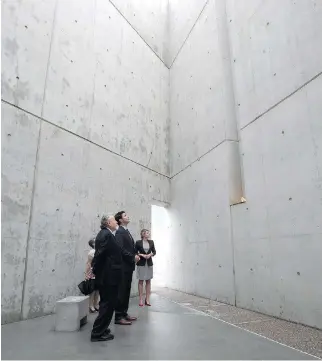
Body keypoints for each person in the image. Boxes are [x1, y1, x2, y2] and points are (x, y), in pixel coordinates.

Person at [90, 215, 139, 342]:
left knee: (108, 303)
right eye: (113, 220)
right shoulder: (105, 234)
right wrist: (95, 271)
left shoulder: (107, 234)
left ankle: (102, 329)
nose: (116, 222)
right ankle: (97, 333)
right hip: (108, 276)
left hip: (109, 274)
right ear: (107, 222)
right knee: (107, 304)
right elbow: (99, 255)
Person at [114, 211, 138, 325]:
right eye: (125, 215)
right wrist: (132, 257)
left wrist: (135, 256)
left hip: (128, 266)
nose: (128, 216)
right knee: (121, 292)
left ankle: (124, 313)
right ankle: (118, 316)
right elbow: (120, 249)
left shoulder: (126, 231)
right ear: (120, 220)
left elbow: (130, 248)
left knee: (126, 291)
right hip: (123, 267)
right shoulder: (119, 232)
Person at [135, 229, 156, 307]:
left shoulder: (151, 242)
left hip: (149, 263)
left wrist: (150, 255)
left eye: (148, 233)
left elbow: (154, 252)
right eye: (147, 233)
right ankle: (140, 299)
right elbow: (135, 251)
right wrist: (142, 255)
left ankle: (147, 299)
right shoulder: (138, 242)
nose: (148, 234)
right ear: (143, 234)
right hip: (141, 263)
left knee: (148, 281)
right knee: (141, 280)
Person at [85, 238, 99, 313]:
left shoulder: (99, 250)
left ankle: (96, 304)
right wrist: (87, 274)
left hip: (99, 272)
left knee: (97, 290)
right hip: (93, 272)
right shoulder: (91, 252)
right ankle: (91, 306)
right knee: (92, 290)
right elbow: (88, 263)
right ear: (93, 244)